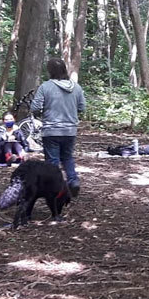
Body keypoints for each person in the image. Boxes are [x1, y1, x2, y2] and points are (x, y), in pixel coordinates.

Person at [31, 58, 86, 196]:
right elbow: (82, 107)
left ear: (50, 71)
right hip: (70, 130)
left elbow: (35, 107)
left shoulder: (45, 87)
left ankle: (55, 187)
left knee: (52, 161)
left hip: (51, 130)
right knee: (67, 157)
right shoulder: (76, 87)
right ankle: (73, 181)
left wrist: (43, 112)